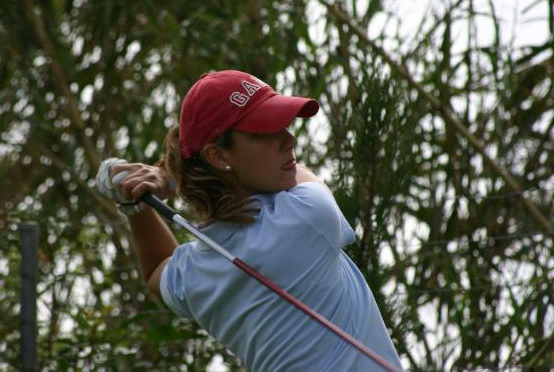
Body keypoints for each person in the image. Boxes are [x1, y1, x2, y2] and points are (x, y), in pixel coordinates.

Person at [97, 70, 403, 371]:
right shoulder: (307, 215)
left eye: (283, 125)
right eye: (265, 132)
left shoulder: (199, 269)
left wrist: (136, 204)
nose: (290, 140)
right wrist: (172, 178)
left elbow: (155, 272)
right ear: (218, 156)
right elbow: (299, 175)